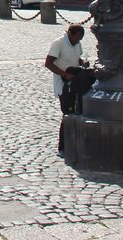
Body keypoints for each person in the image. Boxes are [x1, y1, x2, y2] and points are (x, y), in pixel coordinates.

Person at [44, 24, 93, 157]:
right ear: (71, 33)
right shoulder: (58, 43)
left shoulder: (77, 43)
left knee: (78, 111)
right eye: (77, 38)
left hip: (76, 82)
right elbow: (48, 63)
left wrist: (82, 63)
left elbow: (77, 58)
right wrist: (64, 74)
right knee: (67, 113)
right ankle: (62, 147)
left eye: (80, 39)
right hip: (63, 84)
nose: (78, 41)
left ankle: (76, 144)